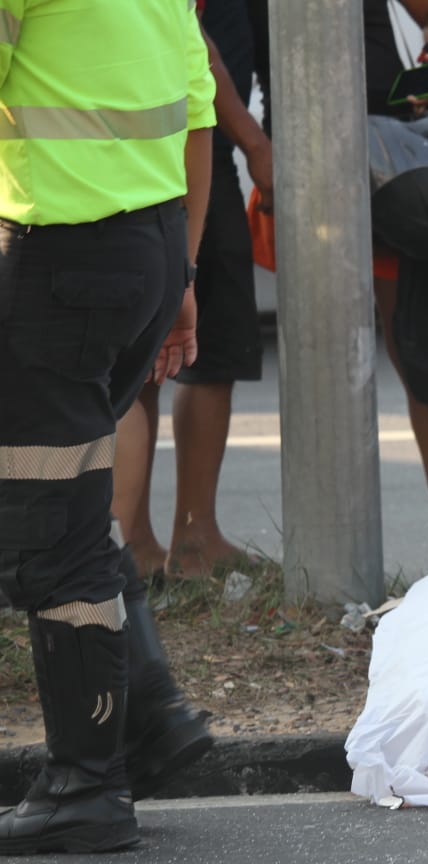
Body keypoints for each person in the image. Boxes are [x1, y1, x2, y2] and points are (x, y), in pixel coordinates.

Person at [0, 1, 218, 853]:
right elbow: (197, 111)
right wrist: (185, 274)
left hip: (61, 264)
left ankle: (86, 786)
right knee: (72, 507)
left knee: (53, 531)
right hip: (149, 249)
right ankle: (149, 719)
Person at [248, 0, 428, 563]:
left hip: (393, 162)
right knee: (319, 362)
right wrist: (255, 146)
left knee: (416, 351)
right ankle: (327, 553)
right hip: (302, 164)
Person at [113, 0, 275, 581]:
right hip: (166, 158)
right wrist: (257, 142)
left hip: (182, 158)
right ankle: (134, 545)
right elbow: (193, 49)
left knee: (195, 349)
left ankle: (185, 536)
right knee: (140, 358)